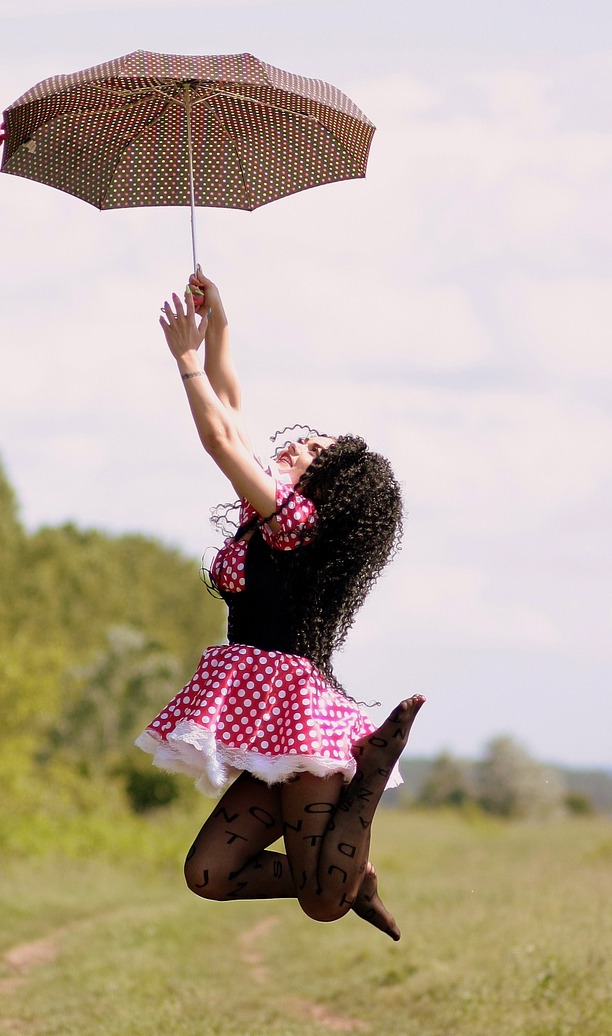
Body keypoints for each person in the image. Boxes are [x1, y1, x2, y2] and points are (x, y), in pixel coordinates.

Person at [136, 270, 424, 939]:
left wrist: (184, 361)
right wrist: (221, 327)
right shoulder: (270, 512)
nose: (296, 443)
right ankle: (359, 875)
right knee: (208, 875)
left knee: (322, 903)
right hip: (270, 724)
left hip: (297, 721)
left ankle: (372, 767)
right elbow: (232, 413)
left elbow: (217, 439)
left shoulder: (295, 521)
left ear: (325, 485)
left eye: (314, 450)